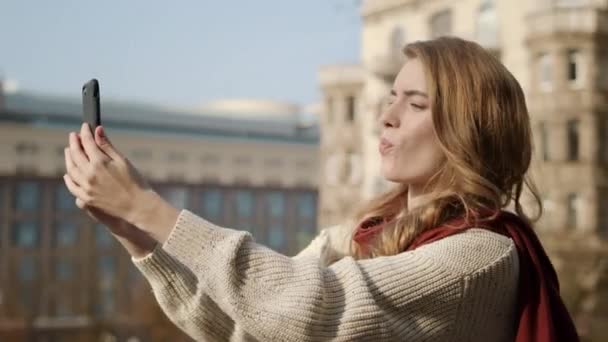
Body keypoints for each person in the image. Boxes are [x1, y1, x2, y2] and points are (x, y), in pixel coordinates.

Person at [63, 37, 579, 341]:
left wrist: (148, 208)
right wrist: (135, 233)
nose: (387, 116)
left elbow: (312, 313)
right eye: (391, 97)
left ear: (470, 129)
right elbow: (245, 328)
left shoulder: (479, 256)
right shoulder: (356, 235)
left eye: (416, 104)